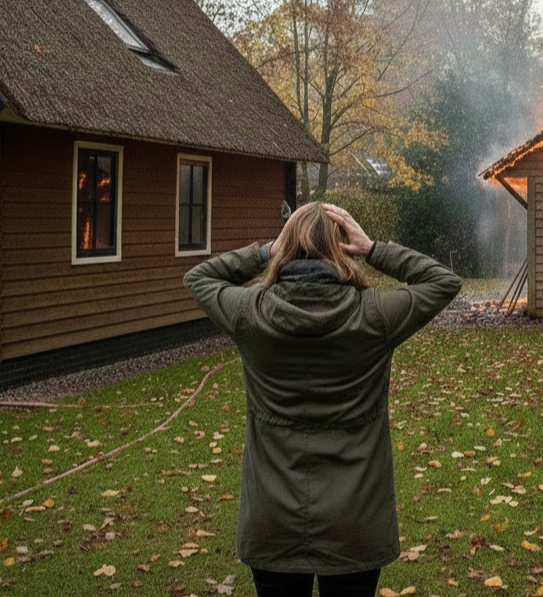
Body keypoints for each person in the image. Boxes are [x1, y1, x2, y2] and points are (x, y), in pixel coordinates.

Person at [183, 202, 461, 597]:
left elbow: (199, 277)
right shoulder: (376, 316)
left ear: (286, 247)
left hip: (272, 520)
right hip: (355, 521)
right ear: (343, 247)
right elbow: (443, 281)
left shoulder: (250, 313)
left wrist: (263, 252)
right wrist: (374, 248)